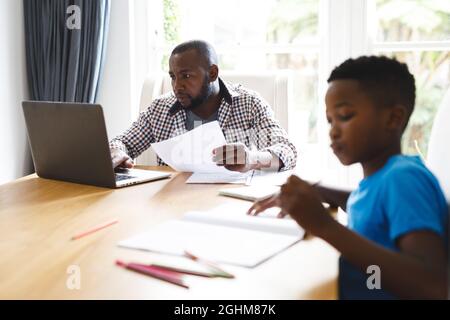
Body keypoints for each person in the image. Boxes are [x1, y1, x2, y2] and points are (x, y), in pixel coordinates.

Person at [248, 56, 448, 299]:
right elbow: (371, 209)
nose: (333, 130)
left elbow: (433, 287)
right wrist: (318, 191)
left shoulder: (403, 180)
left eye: (344, 116)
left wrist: (324, 225)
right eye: (330, 120)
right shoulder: (383, 178)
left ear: (393, 119)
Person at [109, 40, 297, 173]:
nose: (177, 86)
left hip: (229, 204)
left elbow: (287, 151)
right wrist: (116, 151)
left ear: (212, 73)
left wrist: (251, 158)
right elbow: (124, 142)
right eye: (173, 76)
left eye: (186, 76)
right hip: (171, 204)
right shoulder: (160, 109)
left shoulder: (249, 104)